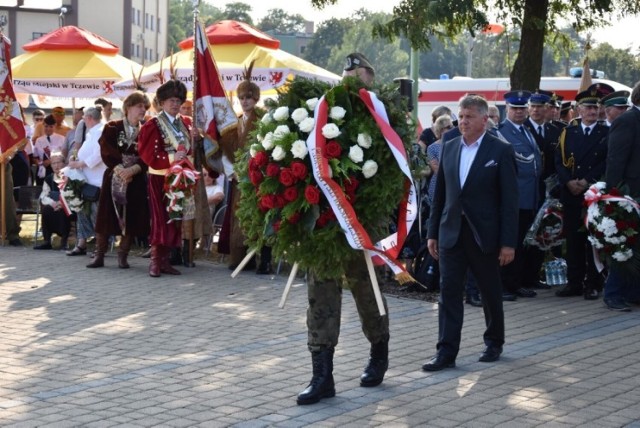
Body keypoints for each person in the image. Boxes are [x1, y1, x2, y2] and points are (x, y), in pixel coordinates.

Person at [296, 52, 390, 406]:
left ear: (370, 78)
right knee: (320, 296)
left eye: (358, 75)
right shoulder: (322, 113)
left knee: (368, 295)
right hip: (325, 223)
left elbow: (391, 171)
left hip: (362, 224)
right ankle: (322, 376)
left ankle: (379, 350)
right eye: (346, 76)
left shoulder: (382, 116)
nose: (351, 82)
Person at [422, 94, 518, 371]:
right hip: (451, 232)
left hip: (484, 235)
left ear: (484, 120)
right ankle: (446, 352)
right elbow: (440, 196)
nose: (462, 122)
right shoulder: (449, 147)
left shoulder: (500, 151)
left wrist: (508, 243)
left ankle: (494, 342)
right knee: (448, 292)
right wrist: (432, 233)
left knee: (489, 291)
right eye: (460, 117)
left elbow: (509, 202)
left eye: (469, 117)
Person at [138, 79, 199, 277]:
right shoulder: (152, 125)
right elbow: (147, 154)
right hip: (160, 178)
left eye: (178, 100)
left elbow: (189, 151)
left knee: (175, 218)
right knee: (160, 219)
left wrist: (195, 140)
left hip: (181, 178)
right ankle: (155, 262)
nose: (175, 104)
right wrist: (173, 157)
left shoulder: (186, 123)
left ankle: (165, 260)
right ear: (162, 102)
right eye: (171, 100)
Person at [86, 91, 151, 269]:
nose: (142, 110)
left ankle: (123, 255)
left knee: (132, 216)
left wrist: (134, 169)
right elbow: (106, 148)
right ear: (128, 107)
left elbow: (148, 154)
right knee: (106, 215)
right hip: (114, 175)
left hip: (135, 179)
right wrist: (120, 169)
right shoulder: (112, 127)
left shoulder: (147, 129)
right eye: (139, 106)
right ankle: (99, 254)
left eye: (144, 107)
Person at [554, 88, 609, 300]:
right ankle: (574, 282)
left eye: (595, 107)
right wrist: (568, 181)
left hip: (593, 194)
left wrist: (587, 181)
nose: (592, 111)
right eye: (588, 107)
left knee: (592, 241)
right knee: (573, 240)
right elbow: (558, 160)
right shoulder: (569, 132)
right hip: (571, 193)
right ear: (579, 109)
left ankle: (593, 283)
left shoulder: (605, 133)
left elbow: (605, 161)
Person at [496, 91, 542, 300]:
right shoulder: (501, 132)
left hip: (529, 196)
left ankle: (516, 282)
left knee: (522, 243)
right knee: (509, 242)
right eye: (515, 108)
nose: (520, 112)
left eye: (523, 108)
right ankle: (503, 284)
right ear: (507, 109)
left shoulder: (526, 131)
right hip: (514, 197)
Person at [218, 61, 263, 271]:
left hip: (258, 179)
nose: (245, 101)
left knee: (258, 217)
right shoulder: (233, 123)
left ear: (256, 98)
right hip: (238, 180)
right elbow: (226, 153)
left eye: (248, 97)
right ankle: (238, 257)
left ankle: (262, 259)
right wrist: (232, 172)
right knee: (238, 216)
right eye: (242, 98)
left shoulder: (264, 120)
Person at [603, 81, 640, 311]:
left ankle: (634, 292)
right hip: (628, 196)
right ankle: (613, 293)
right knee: (623, 245)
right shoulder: (627, 121)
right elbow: (615, 161)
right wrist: (614, 197)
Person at [65, 106, 107, 256]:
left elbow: (99, 154)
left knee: (96, 214)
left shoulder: (101, 131)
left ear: (89, 118)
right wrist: (75, 158)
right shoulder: (91, 132)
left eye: (83, 118)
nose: (83, 120)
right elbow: (85, 151)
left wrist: (80, 164)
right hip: (85, 180)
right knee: (82, 211)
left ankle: (100, 246)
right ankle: (81, 243)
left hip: (96, 181)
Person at [34, 152, 73, 250]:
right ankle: (47, 241)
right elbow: (43, 196)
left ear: (64, 163)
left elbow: (73, 194)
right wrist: (53, 203)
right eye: (53, 163)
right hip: (54, 205)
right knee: (46, 210)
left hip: (69, 206)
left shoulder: (70, 177)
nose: (56, 165)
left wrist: (62, 203)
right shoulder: (49, 178)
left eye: (58, 162)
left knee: (63, 211)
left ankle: (64, 242)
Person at [33, 114, 68, 185]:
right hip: (42, 169)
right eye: (46, 126)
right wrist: (39, 163)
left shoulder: (62, 139)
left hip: (56, 168)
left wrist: (50, 161)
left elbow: (64, 155)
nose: (48, 129)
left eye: (51, 127)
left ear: (54, 126)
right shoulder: (39, 140)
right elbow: (35, 157)